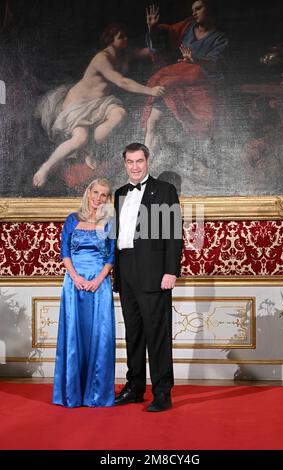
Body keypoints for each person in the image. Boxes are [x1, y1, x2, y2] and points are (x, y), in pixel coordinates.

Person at [33, 23, 165, 187]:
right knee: (79, 139)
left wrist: (152, 29)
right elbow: (121, 81)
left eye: (125, 35)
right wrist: (149, 90)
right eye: (120, 36)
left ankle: (91, 148)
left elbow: (147, 52)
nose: (125, 38)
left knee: (119, 114)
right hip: (78, 106)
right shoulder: (102, 58)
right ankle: (45, 168)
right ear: (110, 40)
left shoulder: (124, 54)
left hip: (100, 103)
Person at [113, 142, 182, 412]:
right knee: (134, 334)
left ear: (147, 161)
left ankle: (162, 393)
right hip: (126, 269)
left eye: (139, 161)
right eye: (130, 162)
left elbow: (174, 233)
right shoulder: (120, 193)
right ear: (124, 164)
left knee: (158, 335)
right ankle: (135, 387)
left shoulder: (164, 190)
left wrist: (170, 271)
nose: (135, 166)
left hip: (155, 272)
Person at [53, 178, 115, 407]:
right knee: (73, 336)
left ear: (108, 199)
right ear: (88, 192)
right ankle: (72, 393)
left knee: (100, 337)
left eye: (104, 195)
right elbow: (65, 251)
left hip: (99, 285)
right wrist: (76, 277)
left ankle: (96, 394)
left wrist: (99, 279)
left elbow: (111, 256)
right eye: (96, 193)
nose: (98, 199)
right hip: (74, 283)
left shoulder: (110, 221)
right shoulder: (72, 219)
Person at [143, 1, 228, 153]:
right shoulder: (188, 28)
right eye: (193, 10)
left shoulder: (220, 37)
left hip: (198, 88)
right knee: (152, 122)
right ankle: (144, 170)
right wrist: (153, 29)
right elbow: (164, 42)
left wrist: (195, 60)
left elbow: (216, 64)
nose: (194, 13)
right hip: (173, 84)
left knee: (199, 133)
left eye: (199, 8)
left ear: (210, 8)